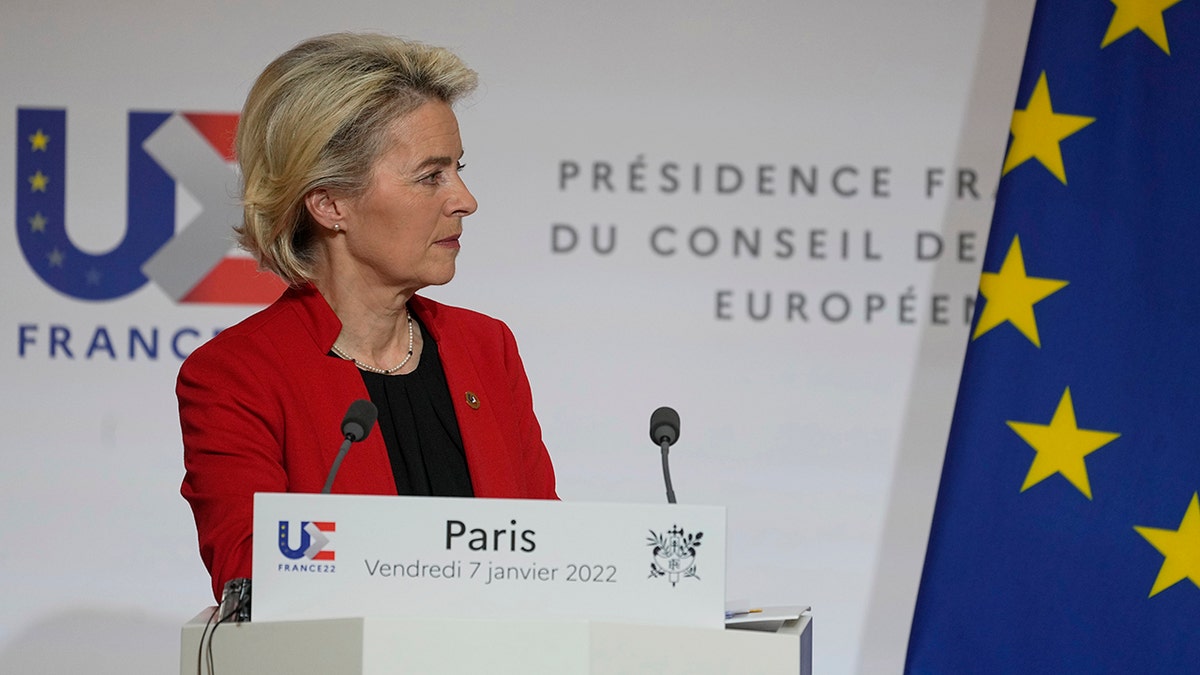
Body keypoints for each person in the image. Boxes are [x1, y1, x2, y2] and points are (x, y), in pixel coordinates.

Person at [177, 33, 558, 601]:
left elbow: (548, 551)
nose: (465, 199)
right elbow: (252, 575)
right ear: (330, 203)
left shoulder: (486, 347)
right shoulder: (236, 375)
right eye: (431, 175)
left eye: (457, 169)